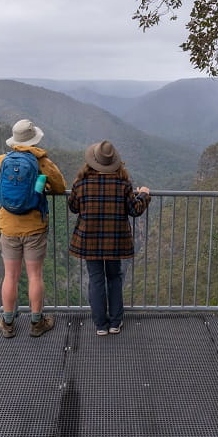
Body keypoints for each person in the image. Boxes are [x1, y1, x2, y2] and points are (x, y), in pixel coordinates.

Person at [0, 118, 67, 338]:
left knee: (10, 276)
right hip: (34, 227)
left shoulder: (0, 160)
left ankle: (8, 323)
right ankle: (36, 322)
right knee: (35, 276)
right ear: (33, 139)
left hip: (8, 226)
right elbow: (61, 187)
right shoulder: (41, 162)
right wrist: (44, 186)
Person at [67, 140, 151, 336]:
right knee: (114, 278)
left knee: (96, 279)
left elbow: (73, 207)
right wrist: (144, 195)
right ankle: (115, 322)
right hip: (115, 240)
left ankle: (100, 325)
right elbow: (134, 210)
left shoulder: (81, 183)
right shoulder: (123, 184)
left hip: (90, 240)